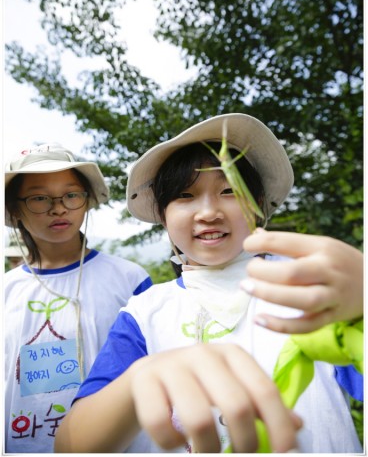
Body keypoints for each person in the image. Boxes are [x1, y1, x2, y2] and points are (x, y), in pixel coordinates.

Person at [54, 114, 363, 453]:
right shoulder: (145, 313)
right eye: (184, 195)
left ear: (259, 205)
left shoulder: (308, 288)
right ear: (163, 215)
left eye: (229, 190)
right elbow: (71, 446)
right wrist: (141, 376)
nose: (208, 212)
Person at [4, 143, 153, 453]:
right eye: (39, 198)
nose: (58, 208)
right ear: (15, 209)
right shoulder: (6, 290)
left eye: (71, 195)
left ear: (87, 202)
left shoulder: (129, 279)